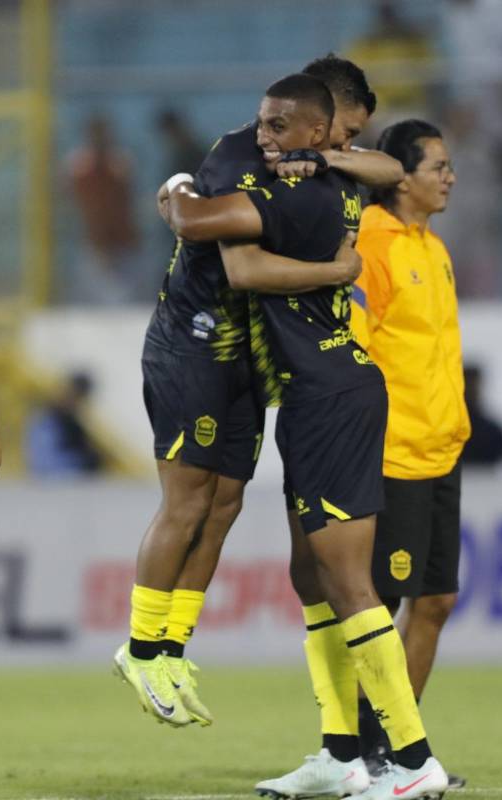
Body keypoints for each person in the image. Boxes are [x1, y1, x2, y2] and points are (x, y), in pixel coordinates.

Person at [163, 74, 448, 800]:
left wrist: (175, 189)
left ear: (318, 134)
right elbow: (378, 170)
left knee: (351, 584)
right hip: (319, 395)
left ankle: (411, 760)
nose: (261, 136)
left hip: (331, 397)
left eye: (278, 126)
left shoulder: (287, 194)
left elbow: (223, 248)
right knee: (317, 582)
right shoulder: (337, 185)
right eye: (260, 123)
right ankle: (342, 753)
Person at [116, 58, 402, 730]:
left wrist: (332, 159)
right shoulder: (242, 153)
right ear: (322, 112)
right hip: (194, 342)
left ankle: (173, 647)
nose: (348, 145)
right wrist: (334, 268)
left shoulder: (321, 157)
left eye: (351, 137)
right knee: (187, 499)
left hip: (248, 355)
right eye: (344, 132)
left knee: (224, 502)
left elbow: (389, 171)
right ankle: (140, 646)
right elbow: (226, 253)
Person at [345, 120, 470, 788]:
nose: (450, 176)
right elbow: (357, 345)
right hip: (395, 455)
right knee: (386, 603)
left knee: (437, 601)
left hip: (441, 449)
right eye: (438, 166)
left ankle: (401, 744)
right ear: (399, 175)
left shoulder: (433, 247)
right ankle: (365, 749)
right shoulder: (374, 244)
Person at [66, 113, 140, 304]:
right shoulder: (80, 165)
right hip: (93, 241)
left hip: (122, 240)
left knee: (128, 299)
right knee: (91, 299)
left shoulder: (120, 163)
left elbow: (126, 200)